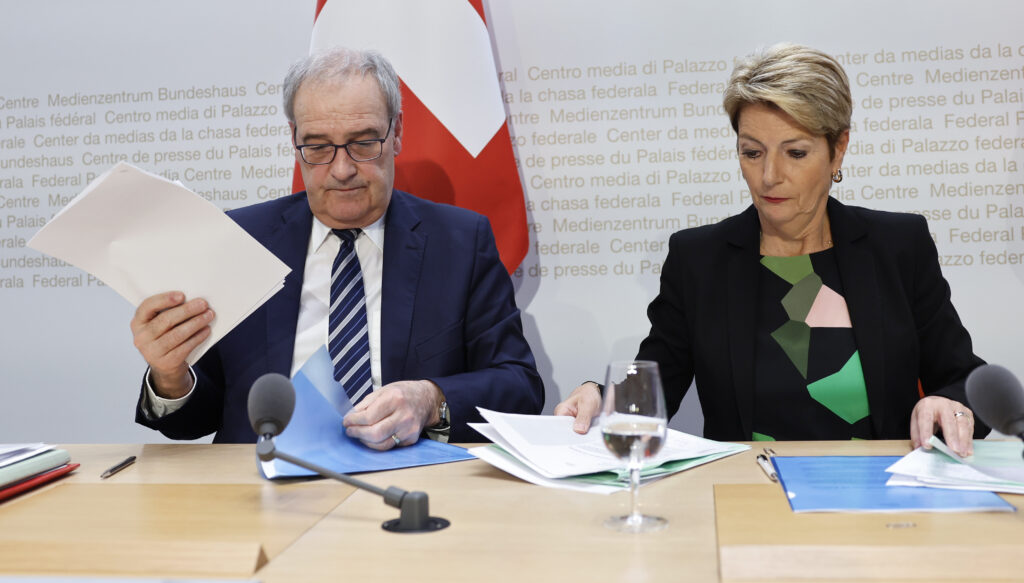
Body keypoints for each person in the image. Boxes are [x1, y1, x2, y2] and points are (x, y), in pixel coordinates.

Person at [555, 43, 987, 455]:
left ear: (838, 150)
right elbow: (652, 389)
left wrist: (950, 404)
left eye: (795, 153)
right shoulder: (699, 259)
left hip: (878, 490)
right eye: (752, 152)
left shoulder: (897, 246)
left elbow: (965, 382)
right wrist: (599, 396)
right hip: (746, 492)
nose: (769, 176)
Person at [132, 47, 543, 447]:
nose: (342, 169)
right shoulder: (242, 241)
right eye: (318, 146)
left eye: (363, 143)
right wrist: (171, 376)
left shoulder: (460, 243)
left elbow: (519, 386)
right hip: (261, 477)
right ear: (294, 138)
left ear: (397, 132)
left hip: (407, 472)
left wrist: (430, 400)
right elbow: (197, 420)